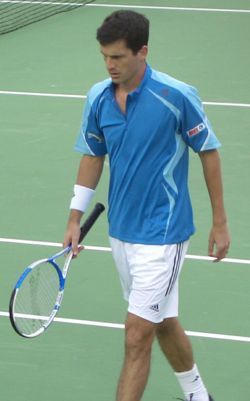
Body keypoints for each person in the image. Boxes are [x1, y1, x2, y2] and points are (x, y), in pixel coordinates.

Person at [63, 10, 230, 401]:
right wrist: (74, 217)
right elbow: (92, 154)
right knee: (163, 321)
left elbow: (209, 152)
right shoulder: (98, 97)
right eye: (105, 56)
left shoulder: (176, 96)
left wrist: (219, 223)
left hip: (164, 231)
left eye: (118, 57)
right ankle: (197, 394)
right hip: (121, 230)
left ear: (143, 52)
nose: (110, 65)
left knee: (137, 333)